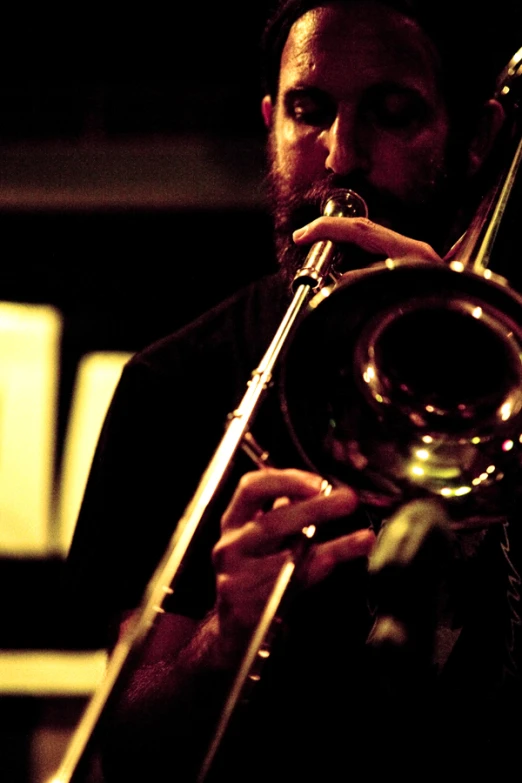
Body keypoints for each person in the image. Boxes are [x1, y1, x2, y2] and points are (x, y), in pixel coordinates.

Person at [65, 1, 522, 780]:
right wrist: (224, 636)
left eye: (393, 113)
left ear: (475, 137)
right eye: (309, 113)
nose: (341, 157)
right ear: (271, 121)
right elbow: (126, 751)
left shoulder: (518, 364)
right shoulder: (171, 383)